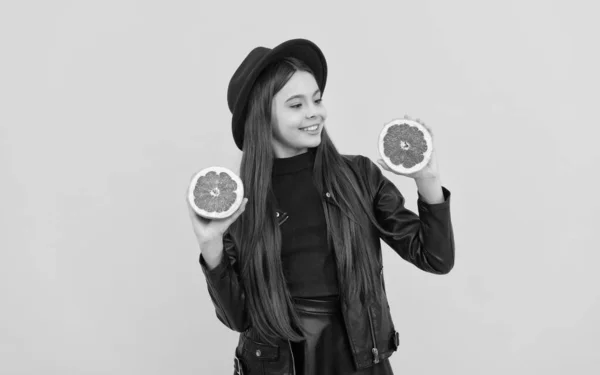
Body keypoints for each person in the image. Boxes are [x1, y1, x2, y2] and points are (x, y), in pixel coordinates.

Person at [186, 38, 455, 375]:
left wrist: (426, 182)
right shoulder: (239, 203)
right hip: (281, 365)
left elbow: (436, 258)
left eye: (317, 99)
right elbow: (237, 318)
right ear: (262, 117)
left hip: (359, 359)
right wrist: (211, 248)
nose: (314, 112)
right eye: (295, 105)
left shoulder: (359, 176)